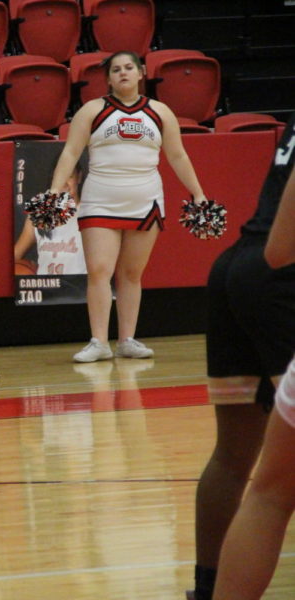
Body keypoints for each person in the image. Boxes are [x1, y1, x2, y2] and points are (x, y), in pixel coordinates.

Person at [188, 112, 295, 600]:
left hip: (234, 265)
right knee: (276, 484)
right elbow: (283, 248)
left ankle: (208, 588)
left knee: (234, 457)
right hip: (279, 275)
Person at [49, 50, 208, 363]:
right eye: (115, 70)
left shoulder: (161, 112)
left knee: (132, 273)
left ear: (140, 73)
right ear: (108, 78)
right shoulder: (92, 111)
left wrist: (198, 193)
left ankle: (127, 340)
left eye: (128, 68)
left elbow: (178, 156)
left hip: (145, 200)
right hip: (100, 199)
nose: (122, 73)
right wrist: (56, 189)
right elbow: (70, 152)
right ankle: (98, 341)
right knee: (99, 270)